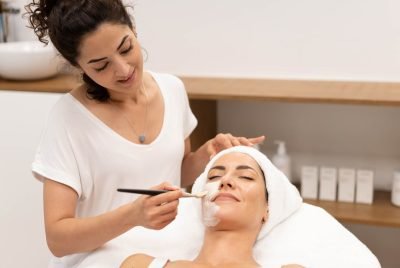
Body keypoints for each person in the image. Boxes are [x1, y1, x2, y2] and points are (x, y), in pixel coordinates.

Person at [26, 0, 264, 265]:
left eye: (125, 48)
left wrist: (207, 155)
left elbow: (175, 172)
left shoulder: (172, 89)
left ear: (134, 28)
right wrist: (133, 216)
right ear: (78, 66)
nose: (124, 70)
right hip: (97, 260)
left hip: (165, 252)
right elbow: (58, 240)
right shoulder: (68, 119)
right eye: (101, 65)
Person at [120, 148, 303, 268]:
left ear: (267, 209)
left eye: (246, 176)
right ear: (201, 202)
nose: (225, 180)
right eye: (214, 176)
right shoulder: (139, 265)